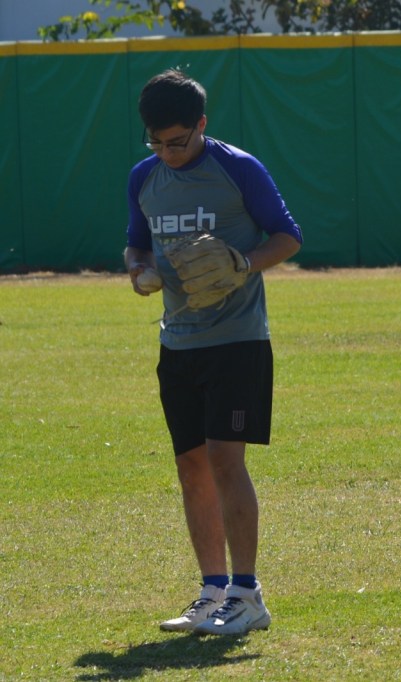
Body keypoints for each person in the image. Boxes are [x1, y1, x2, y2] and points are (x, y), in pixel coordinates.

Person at [124, 69, 303, 634]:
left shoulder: (239, 169)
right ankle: (211, 591)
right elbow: (136, 243)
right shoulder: (144, 177)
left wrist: (242, 263)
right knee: (190, 466)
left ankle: (248, 597)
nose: (166, 152)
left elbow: (288, 236)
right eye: (155, 141)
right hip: (177, 341)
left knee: (227, 461)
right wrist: (140, 272)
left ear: (201, 125)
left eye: (177, 140)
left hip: (237, 339)